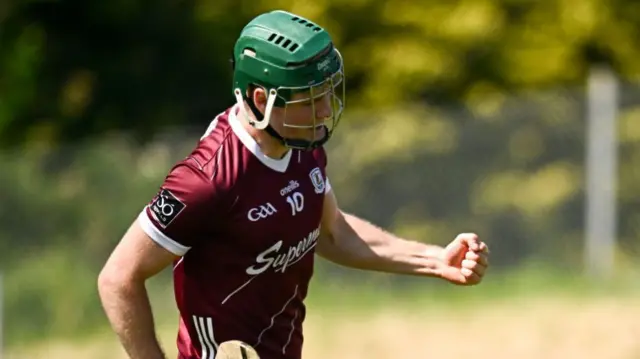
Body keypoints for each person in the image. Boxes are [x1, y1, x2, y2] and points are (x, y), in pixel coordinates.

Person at [97, 9, 489, 359]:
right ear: (258, 97)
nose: (323, 112)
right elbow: (118, 278)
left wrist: (435, 260)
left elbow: (332, 234)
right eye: (307, 99)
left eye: (325, 95)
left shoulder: (302, 143)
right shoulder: (208, 180)